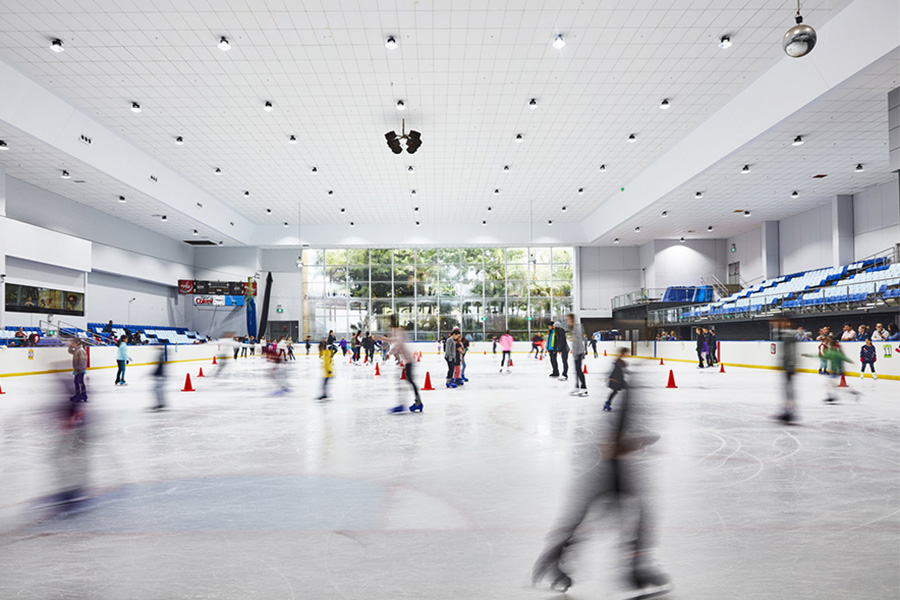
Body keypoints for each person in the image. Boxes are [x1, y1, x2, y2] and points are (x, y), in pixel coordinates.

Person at [532, 355, 670, 596]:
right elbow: (615, 443)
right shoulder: (630, 400)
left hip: (610, 471)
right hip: (612, 471)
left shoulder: (628, 400)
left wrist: (638, 441)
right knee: (635, 518)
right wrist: (640, 441)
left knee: (599, 519)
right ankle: (634, 570)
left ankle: (557, 559)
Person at [385, 316, 422, 413]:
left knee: (408, 381)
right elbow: (394, 340)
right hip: (408, 361)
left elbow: (398, 343)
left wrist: (389, 353)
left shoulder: (397, 331)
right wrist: (382, 338)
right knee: (406, 381)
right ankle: (411, 402)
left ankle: (414, 403)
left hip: (409, 361)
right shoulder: (397, 331)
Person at [772, 319, 798, 423]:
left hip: (789, 367)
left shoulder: (789, 335)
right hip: (787, 366)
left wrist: (791, 365)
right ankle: (788, 410)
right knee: (787, 389)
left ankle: (789, 412)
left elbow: (791, 352)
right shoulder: (785, 335)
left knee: (789, 390)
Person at [567, 314, 587, 396]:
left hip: (578, 352)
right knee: (577, 370)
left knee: (579, 370)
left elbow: (579, 341)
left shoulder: (577, 328)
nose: (567, 321)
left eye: (568, 319)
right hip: (576, 353)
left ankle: (584, 387)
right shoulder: (573, 328)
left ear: (572, 319)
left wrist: (579, 353)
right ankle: (577, 386)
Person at [604, 346, 627, 412]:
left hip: (617, 379)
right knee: (616, 391)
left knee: (615, 391)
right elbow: (617, 369)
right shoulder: (619, 361)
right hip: (616, 379)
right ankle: (607, 403)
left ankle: (607, 403)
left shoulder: (619, 360)